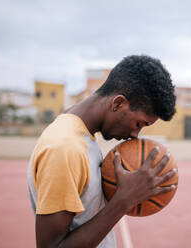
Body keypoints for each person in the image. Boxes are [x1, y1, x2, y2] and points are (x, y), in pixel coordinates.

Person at [27, 55, 177, 248]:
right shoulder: (65, 148)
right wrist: (124, 200)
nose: (135, 135)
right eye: (139, 123)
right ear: (118, 103)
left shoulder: (82, 134)